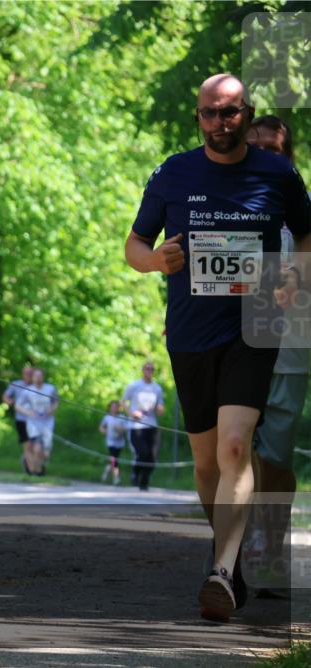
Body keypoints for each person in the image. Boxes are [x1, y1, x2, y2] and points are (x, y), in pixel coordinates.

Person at [124, 74, 310, 622]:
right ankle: (225, 553)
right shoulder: (174, 172)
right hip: (190, 330)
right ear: (198, 117)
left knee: (235, 447)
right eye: (210, 113)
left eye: (230, 113)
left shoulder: (277, 173)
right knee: (207, 463)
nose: (220, 123)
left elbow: (305, 234)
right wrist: (156, 260)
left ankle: (223, 572)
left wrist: (294, 278)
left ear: (247, 115)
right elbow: (134, 244)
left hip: (257, 324)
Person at [243, 115, 310, 597]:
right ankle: (236, 551)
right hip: (232, 340)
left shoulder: (302, 211)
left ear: (289, 155)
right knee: (234, 443)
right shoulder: (229, 201)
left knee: (276, 451)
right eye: (257, 147)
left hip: (290, 342)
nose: (266, 155)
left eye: (275, 148)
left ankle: (273, 544)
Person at [122, 360, 166, 491]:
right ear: (142, 370)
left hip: (151, 425)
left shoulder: (157, 388)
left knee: (152, 457)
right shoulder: (134, 386)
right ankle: (135, 473)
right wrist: (131, 413)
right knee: (143, 453)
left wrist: (160, 409)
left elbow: (160, 406)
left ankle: (144, 482)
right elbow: (123, 402)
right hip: (136, 426)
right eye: (147, 368)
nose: (149, 371)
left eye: (151, 369)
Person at [15, 368, 58, 476]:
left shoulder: (50, 389)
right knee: (37, 447)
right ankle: (36, 472)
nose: (38, 378)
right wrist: (28, 412)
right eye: (36, 376)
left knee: (45, 451)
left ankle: (37, 467)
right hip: (34, 424)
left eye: (40, 376)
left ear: (43, 377)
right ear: (32, 377)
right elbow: (17, 406)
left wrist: (51, 409)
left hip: (48, 423)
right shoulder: (27, 391)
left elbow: (56, 402)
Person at [2, 365, 34, 474]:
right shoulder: (16, 384)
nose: (28, 375)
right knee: (27, 445)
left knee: (36, 446)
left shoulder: (38, 386)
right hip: (21, 420)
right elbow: (6, 396)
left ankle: (32, 465)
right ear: (23, 374)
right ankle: (30, 471)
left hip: (36, 421)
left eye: (30, 373)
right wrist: (10, 402)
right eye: (26, 373)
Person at [99, 400, 127, 485]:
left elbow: (126, 428)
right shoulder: (107, 417)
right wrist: (105, 431)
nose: (114, 408)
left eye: (116, 407)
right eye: (113, 407)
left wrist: (120, 429)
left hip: (119, 442)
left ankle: (107, 469)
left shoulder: (122, 417)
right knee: (114, 458)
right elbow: (101, 427)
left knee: (115, 458)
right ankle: (116, 478)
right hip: (110, 441)